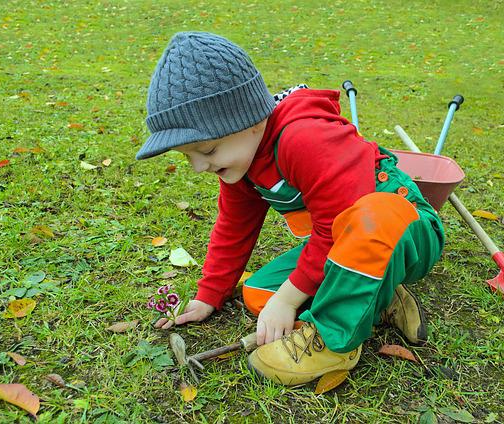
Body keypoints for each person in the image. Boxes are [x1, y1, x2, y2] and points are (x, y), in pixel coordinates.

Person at [137, 32, 444, 386]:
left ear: (250, 121)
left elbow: (335, 224)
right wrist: (209, 295)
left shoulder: (303, 138)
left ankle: (334, 343)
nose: (198, 167)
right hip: (345, 246)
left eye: (206, 151)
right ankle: (378, 294)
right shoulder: (242, 164)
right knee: (260, 296)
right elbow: (233, 229)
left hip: (405, 228)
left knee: (369, 218)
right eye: (188, 156)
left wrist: (289, 298)